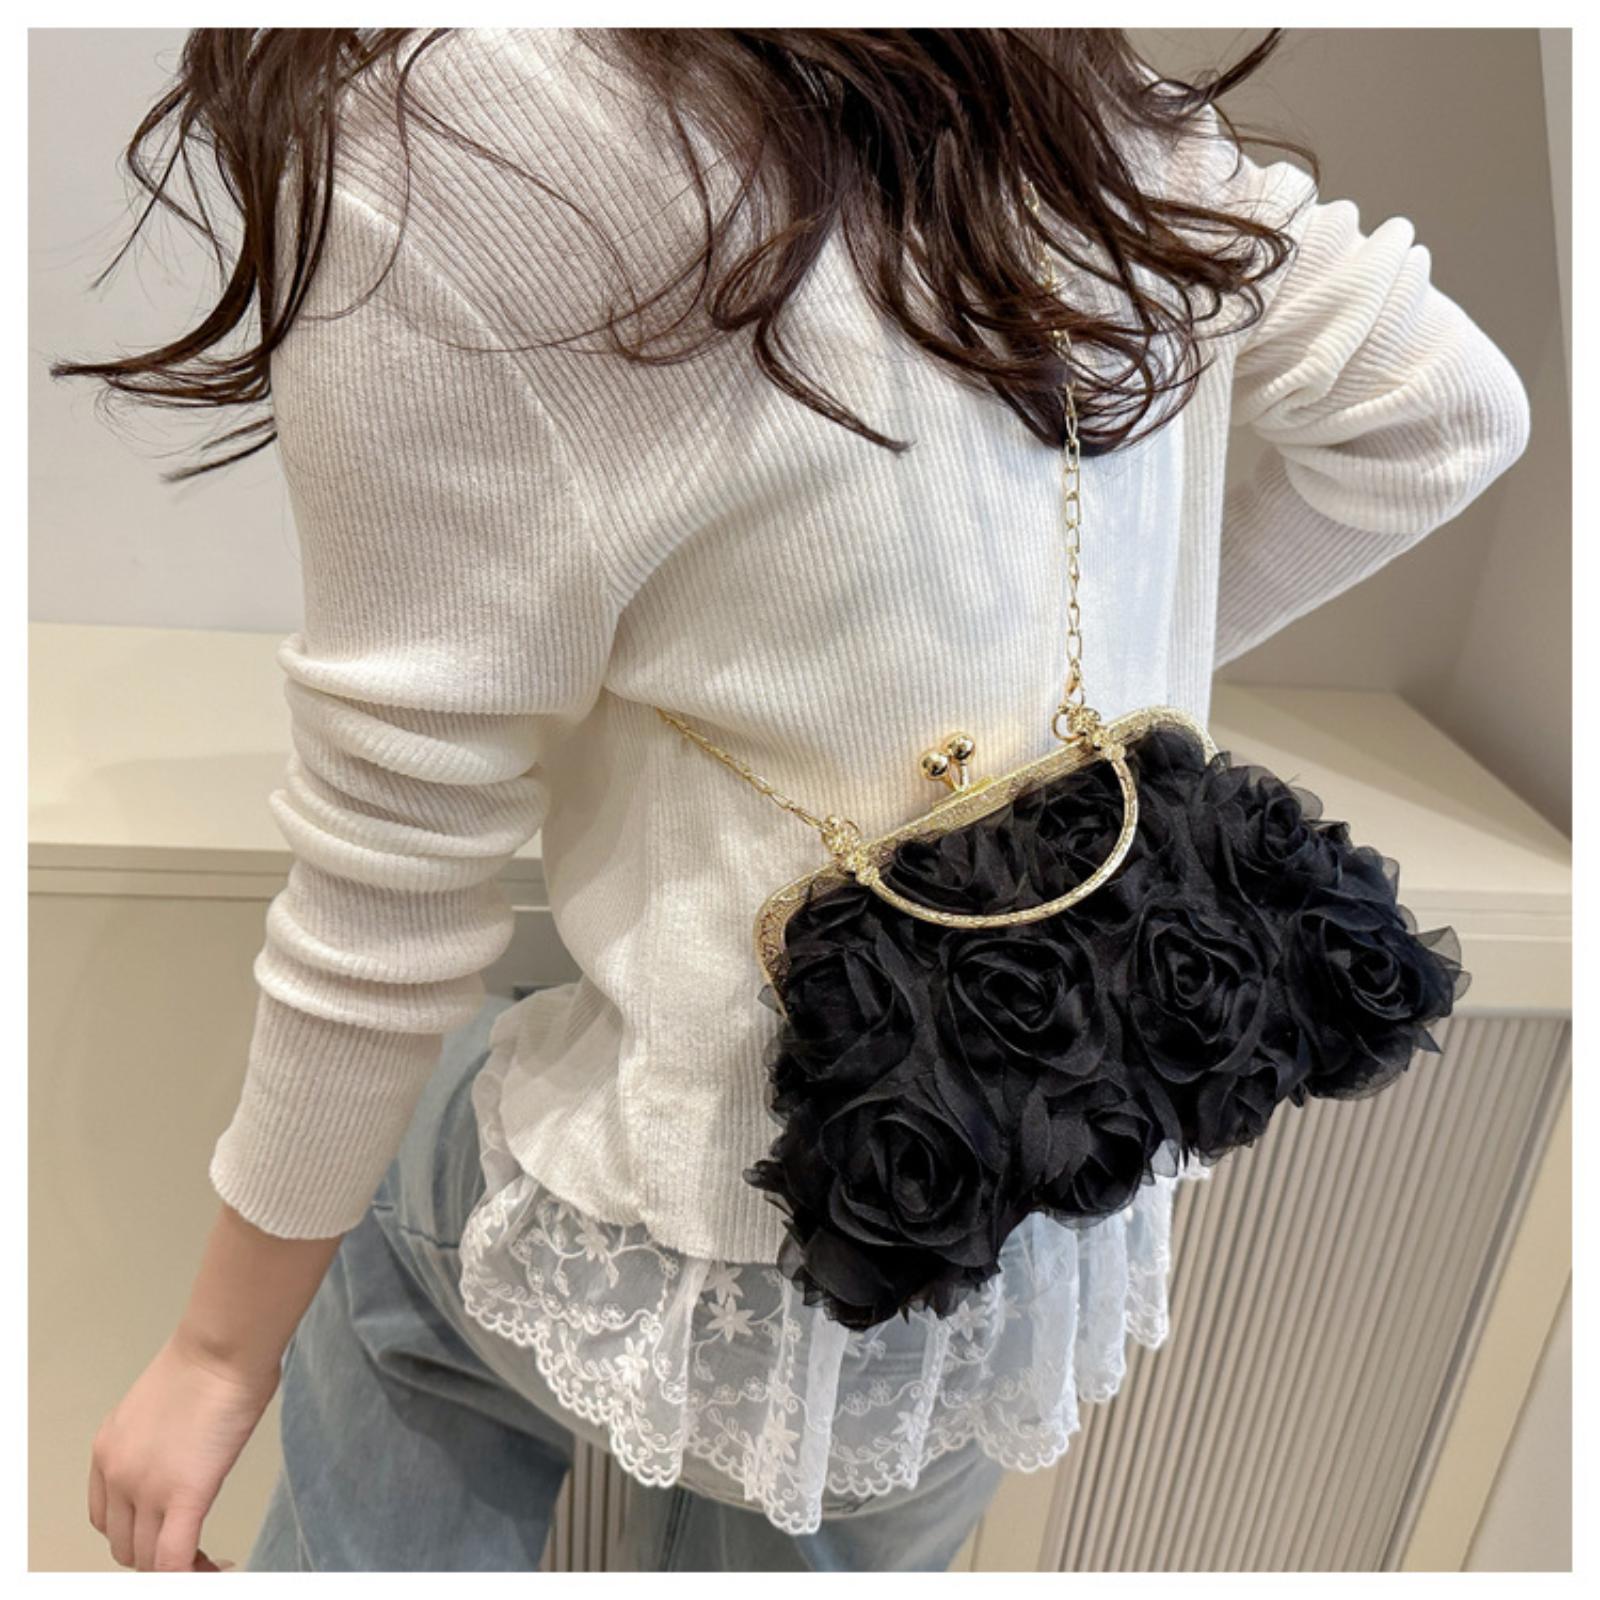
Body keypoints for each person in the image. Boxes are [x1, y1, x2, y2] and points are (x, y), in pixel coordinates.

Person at [54, 27, 1531, 1573]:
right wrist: (1070, 750)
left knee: (401, 1218)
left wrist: (213, 1361)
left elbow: (394, 876)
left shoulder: (464, 123)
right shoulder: (1057, 77)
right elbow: (1441, 412)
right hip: (1020, 1233)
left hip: (707, 1208)